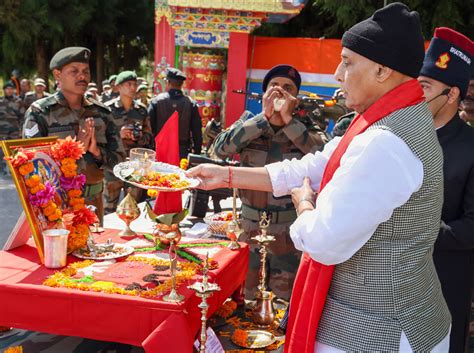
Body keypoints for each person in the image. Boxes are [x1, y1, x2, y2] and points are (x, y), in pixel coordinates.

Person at [188, 3, 451, 352]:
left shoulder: (387, 141)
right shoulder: (392, 119)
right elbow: (311, 166)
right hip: (393, 315)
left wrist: (304, 203)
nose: (338, 75)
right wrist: (225, 175)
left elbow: (323, 241)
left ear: (382, 70)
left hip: (378, 329)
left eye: (347, 61)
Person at [212, 65, 328, 301]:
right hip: (249, 228)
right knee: (244, 299)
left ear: (296, 98)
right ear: (264, 93)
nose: (280, 93)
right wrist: (263, 119)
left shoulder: (307, 128)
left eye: (288, 88)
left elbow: (325, 156)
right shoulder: (249, 123)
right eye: (274, 86)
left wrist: (288, 120)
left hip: (288, 233)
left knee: (285, 302)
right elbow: (219, 150)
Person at [418, 27, 474, 353]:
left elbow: (471, 226)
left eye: (425, 87)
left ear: (451, 95)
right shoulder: (403, 137)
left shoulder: (470, 148)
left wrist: (418, 230)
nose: (416, 94)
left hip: (445, 282)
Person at [22, 47, 125, 223]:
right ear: (57, 74)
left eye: (85, 71)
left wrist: (97, 152)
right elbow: (29, 165)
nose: (82, 76)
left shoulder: (102, 113)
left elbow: (120, 163)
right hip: (54, 205)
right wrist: (73, 151)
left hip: (93, 204)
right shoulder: (41, 112)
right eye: (74, 71)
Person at [103, 71, 153, 214]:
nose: (133, 87)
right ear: (118, 87)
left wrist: (139, 137)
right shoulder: (107, 109)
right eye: (128, 84)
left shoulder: (141, 111)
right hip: (112, 164)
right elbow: (100, 137)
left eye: (135, 84)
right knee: (108, 208)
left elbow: (150, 138)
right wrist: (119, 135)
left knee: (132, 207)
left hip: (134, 165)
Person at [148, 68, 203, 158]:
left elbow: (149, 128)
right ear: (182, 84)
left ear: (167, 82)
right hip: (182, 152)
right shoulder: (190, 103)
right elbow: (197, 132)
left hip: (160, 150)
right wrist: (197, 153)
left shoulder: (156, 101)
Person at [0, 81, 25, 174]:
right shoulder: (0, 101)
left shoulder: (18, 101)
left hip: (14, 129)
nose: (9, 91)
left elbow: (22, 116)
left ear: (13, 90)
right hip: (1, 130)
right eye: (7, 89)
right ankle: (1, 169)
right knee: (1, 149)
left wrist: (21, 129)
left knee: (14, 149)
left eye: (11, 89)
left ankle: (14, 169)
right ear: (4, 90)